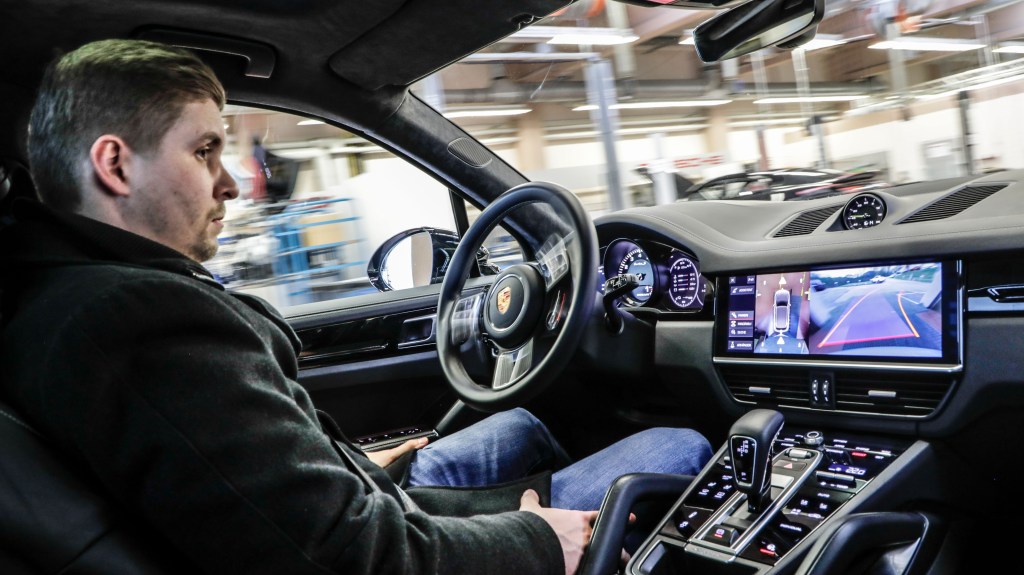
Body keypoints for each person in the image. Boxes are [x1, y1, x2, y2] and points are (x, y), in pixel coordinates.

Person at [0, 39, 711, 574]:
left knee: (521, 425)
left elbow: (229, 478)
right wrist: (536, 542)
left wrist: (346, 460)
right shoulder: (138, 317)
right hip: (378, 542)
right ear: (115, 164)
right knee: (677, 448)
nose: (231, 184)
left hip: (360, 506)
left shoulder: (57, 295)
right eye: (205, 151)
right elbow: (345, 554)